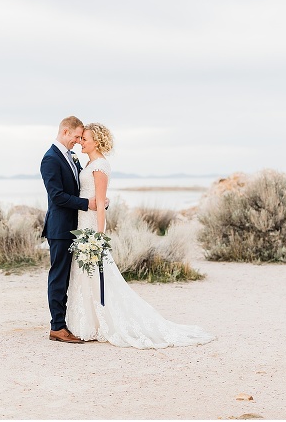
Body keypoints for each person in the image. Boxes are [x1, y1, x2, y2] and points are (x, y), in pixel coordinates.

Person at [65, 122, 215, 349]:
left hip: (90, 230)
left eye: (84, 139)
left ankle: (98, 323)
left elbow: (101, 205)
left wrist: (99, 236)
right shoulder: (88, 163)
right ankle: (87, 323)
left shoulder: (100, 166)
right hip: (81, 224)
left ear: (96, 141)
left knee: (95, 275)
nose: (81, 142)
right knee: (84, 276)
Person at [40, 116, 98, 344]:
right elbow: (57, 196)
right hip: (60, 228)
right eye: (76, 137)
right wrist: (87, 204)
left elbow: (80, 188)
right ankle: (57, 327)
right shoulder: (50, 159)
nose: (77, 141)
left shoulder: (71, 157)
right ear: (65, 132)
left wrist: (99, 200)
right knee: (59, 277)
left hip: (76, 227)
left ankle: (69, 322)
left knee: (73, 277)